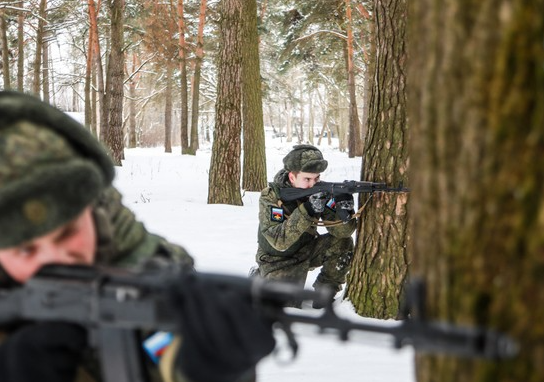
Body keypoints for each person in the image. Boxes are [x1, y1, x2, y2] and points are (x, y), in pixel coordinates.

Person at [0, 91, 275, 382]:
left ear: (92, 209)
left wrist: (214, 367)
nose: (57, 258)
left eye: (68, 232)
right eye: (25, 250)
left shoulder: (147, 274)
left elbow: (162, 351)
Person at [252, 144, 357, 308]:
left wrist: (344, 210)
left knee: (343, 243)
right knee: (285, 309)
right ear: (292, 177)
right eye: (307, 179)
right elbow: (279, 241)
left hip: (306, 251)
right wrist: (308, 209)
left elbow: (342, 233)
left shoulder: (319, 192)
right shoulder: (271, 197)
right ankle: (259, 276)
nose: (312, 184)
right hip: (277, 261)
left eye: (316, 179)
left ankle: (324, 294)